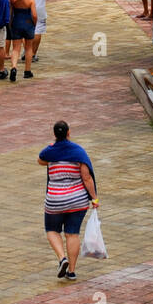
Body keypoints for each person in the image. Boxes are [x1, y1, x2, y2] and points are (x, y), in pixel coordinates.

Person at [39, 120, 98, 280]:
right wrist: (94, 198)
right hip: (77, 200)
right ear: (68, 132)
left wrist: (52, 157)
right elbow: (86, 178)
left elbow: (40, 159)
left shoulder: (50, 152)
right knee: (72, 234)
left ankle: (61, 258)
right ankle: (71, 271)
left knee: (52, 230)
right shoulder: (78, 152)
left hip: (55, 199)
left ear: (54, 134)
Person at [8, 0, 37, 80]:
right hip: (28, 22)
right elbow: (34, 14)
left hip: (16, 22)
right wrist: (34, 23)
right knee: (28, 48)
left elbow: (11, 12)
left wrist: (11, 23)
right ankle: (27, 70)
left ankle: (14, 67)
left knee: (15, 48)